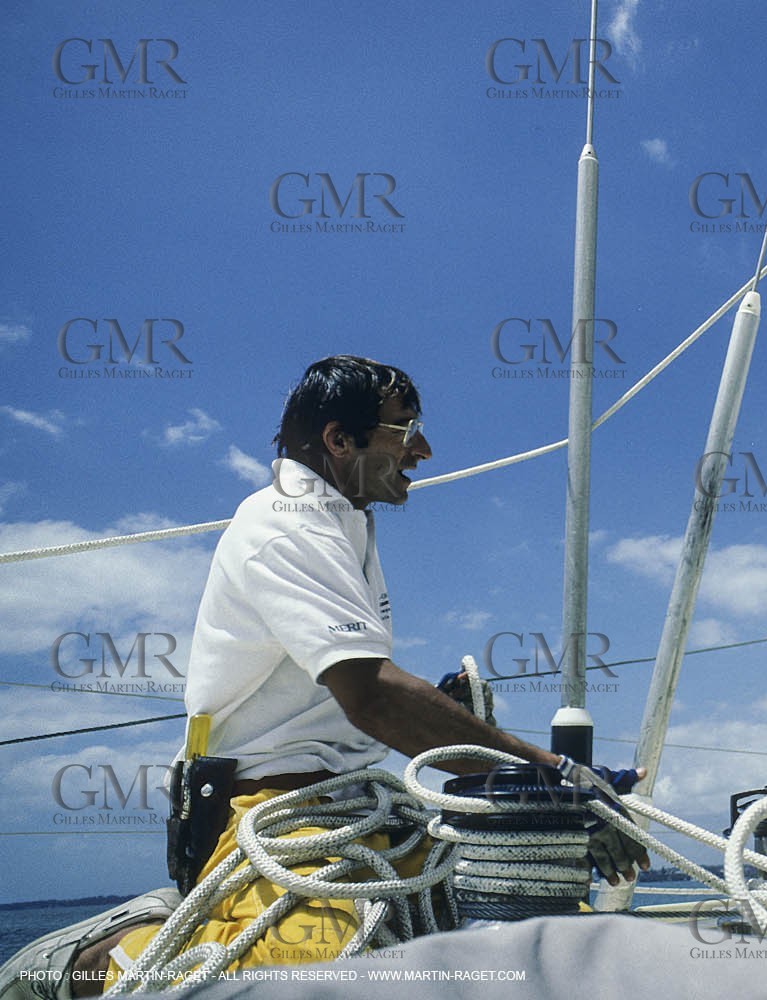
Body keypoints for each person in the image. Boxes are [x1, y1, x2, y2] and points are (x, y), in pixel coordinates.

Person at [1, 356, 647, 998]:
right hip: (263, 813)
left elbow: (359, 698)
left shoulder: (347, 522)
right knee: (317, 977)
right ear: (340, 440)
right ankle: (82, 967)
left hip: (357, 807)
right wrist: (552, 776)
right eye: (406, 429)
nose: (423, 450)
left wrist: (505, 767)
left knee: (544, 931)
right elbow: (372, 697)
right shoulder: (285, 524)